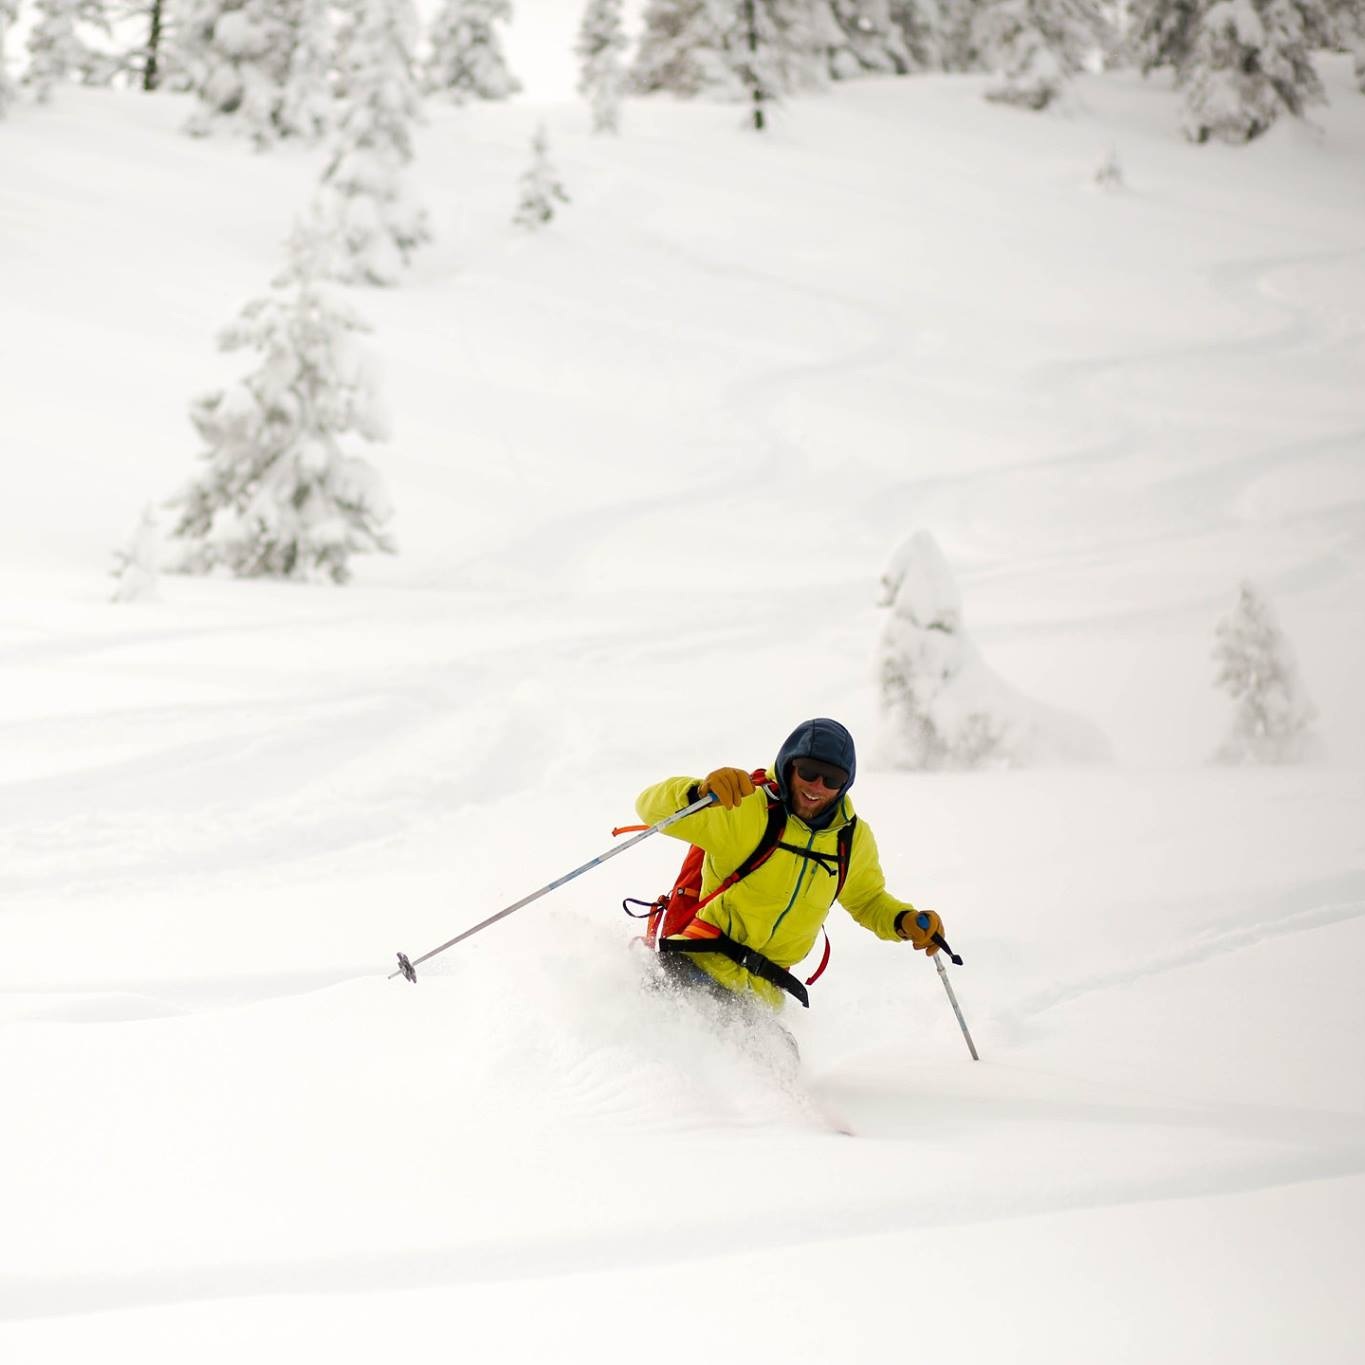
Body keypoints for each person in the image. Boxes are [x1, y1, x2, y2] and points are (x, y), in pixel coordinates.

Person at [634, 717, 945, 1013]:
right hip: (695, 967)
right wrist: (698, 791)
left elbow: (867, 899)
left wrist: (903, 920)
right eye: (808, 771)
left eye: (832, 779)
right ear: (788, 766)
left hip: (759, 1000)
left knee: (781, 1067)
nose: (817, 786)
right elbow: (649, 808)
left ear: (845, 784)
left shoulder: (851, 839)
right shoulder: (745, 808)